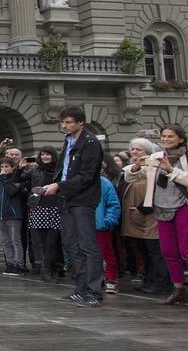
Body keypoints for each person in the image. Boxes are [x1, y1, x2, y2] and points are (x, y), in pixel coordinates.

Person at [42, 106, 105, 307]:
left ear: (80, 122)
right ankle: (81, 288)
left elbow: (86, 176)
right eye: (63, 122)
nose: (65, 125)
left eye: (69, 122)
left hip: (83, 200)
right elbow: (65, 170)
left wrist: (59, 185)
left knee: (88, 246)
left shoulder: (90, 142)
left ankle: (94, 291)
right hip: (67, 199)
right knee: (72, 245)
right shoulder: (69, 141)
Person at [125, 124, 188, 308]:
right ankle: (178, 289)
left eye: (170, 136)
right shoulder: (156, 156)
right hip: (161, 207)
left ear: (180, 139)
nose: (166, 140)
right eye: (163, 136)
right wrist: (135, 168)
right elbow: (132, 178)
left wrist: (171, 170)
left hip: (184, 206)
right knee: (169, 251)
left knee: (187, 251)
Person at [119, 138, 171, 295]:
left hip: (151, 214)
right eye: (133, 149)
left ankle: (162, 282)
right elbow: (130, 176)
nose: (135, 152)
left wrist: (145, 206)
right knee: (143, 250)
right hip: (135, 216)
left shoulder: (155, 166)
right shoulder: (131, 168)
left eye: (139, 149)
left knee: (155, 251)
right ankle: (149, 280)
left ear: (148, 152)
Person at [27, 147, 62, 281]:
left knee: (52, 242)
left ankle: (47, 268)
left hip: (55, 207)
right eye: (43, 155)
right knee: (42, 241)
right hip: (39, 207)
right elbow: (20, 180)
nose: (45, 157)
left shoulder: (59, 170)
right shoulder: (35, 170)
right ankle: (46, 267)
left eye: (48, 154)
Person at [0, 158, 26, 276]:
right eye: (2, 167)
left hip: (13, 214)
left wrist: (4, 178)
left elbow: (11, 191)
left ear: (12, 168)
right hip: (0, 214)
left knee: (15, 240)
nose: (4, 169)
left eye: (7, 167)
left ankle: (19, 264)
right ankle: (10, 263)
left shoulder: (14, 179)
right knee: (5, 241)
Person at [95, 161, 122, 294]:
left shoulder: (104, 183)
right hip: (83, 225)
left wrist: (108, 221)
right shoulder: (77, 183)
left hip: (100, 225)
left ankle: (111, 279)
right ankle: (93, 278)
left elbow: (113, 204)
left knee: (106, 253)